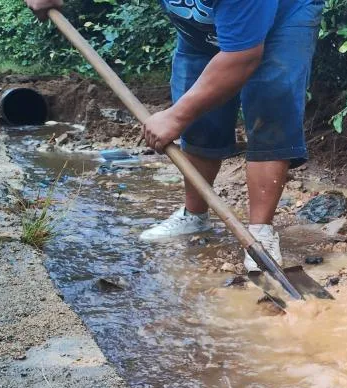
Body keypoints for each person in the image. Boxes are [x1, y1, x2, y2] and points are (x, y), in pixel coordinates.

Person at [25, 0, 323, 270]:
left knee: (271, 103)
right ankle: (194, 217)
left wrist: (176, 115)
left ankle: (260, 232)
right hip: (199, 29)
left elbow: (241, 57)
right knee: (198, 109)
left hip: (284, 15)